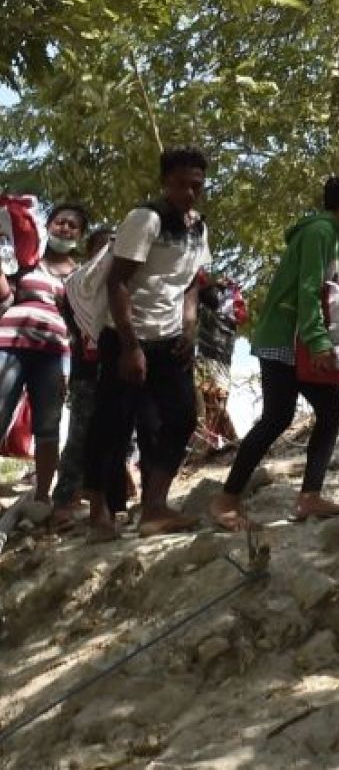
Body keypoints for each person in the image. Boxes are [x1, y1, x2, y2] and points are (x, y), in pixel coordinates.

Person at [209, 170, 339, 531]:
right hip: (286, 339)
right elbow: (309, 291)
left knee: (330, 408)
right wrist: (320, 341)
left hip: (305, 342)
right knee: (278, 416)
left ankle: (309, 496)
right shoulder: (319, 232)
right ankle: (226, 500)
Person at [81, 147, 212, 540]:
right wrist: (129, 346)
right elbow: (117, 281)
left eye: (197, 185)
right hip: (127, 335)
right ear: (165, 182)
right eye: (181, 184)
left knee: (179, 418)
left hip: (170, 338)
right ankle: (99, 513)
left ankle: (154, 506)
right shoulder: (146, 218)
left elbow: (191, 281)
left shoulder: (198, 228)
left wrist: (189, 327)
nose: (189, 192)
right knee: (113, 422)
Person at [0, 202, 87, 510]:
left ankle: (41, 497)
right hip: (9, 344)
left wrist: (76, 365)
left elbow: (81, 323)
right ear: (47, 226)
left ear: (79, 235)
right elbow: (6, 299)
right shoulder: (27, 260)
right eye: (59, 222)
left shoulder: (80, 275)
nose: (64, 228)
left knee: (48, 426)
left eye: (72, 225)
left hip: (54, 355)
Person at [52, 227, 137, 530]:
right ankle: (65, 500)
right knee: (79, 435)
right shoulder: (77, 287)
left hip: (114, 370)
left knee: (120, 435)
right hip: (86, 373)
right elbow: (70, 330)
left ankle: (114, 500)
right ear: (91, 255)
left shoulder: (127, 287)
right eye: (100, 250)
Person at [189, 271, 246, 459]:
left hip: (216, 362)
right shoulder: (214, 310)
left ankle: (218, 442)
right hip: (212, 361)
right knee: (212, 403)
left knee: (215, 404)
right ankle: (218, 442)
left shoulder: (218, 312)